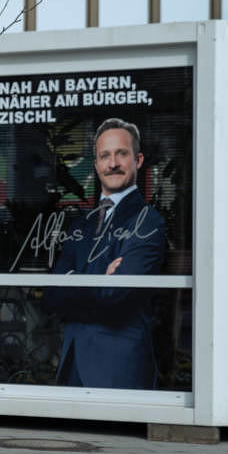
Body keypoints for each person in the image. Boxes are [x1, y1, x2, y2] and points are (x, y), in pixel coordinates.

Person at [44, 117, 166, 389]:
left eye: (122, 154)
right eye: (105, 156)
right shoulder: (81, 225)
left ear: (139, 160)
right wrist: (103, 274)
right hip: (73, 360)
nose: (113, 163)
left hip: (118, 364)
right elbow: (52, 295)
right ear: (96, 163)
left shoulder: (147, 221)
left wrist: (77, 279)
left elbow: (116, 294)